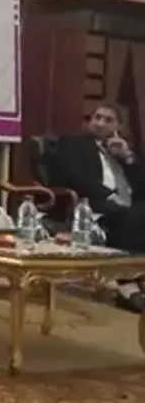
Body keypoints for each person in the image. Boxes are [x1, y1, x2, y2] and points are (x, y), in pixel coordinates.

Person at [52, 103, 145, 312]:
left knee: (137, 215)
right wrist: (109, 196)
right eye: (97, 118)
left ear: (119, 126)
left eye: (108, 120)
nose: (100, 123)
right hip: (94, 208)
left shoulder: (122, 149)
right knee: (134, 218)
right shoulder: (74, 143)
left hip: (125, 208)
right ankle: (128, 284)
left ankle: (134, 277)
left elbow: (142, 187)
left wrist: (128, 158)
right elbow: (74, 176)